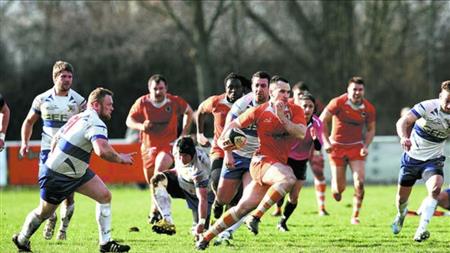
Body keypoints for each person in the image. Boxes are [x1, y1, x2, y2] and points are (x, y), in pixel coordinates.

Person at [13, 87, 135, 253]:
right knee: (44, 213)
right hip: (58, 176)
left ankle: (105, 244)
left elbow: (56, 138)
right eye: (109, 104)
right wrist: (121, 159)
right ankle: (21, 240)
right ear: (96, 105)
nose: (112, 108)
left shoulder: (78, 116)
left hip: (76, 172)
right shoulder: (96, 122)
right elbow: (102, 151)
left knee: (105, 196)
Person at [196, 76, 307, 250]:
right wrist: (227, 145)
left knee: (242, 207)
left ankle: (205, 238)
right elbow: (231, 126)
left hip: (275, 165)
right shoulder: (259, 111)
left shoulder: (295, 110)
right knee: (288, 178)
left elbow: (301, 133)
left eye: (288, 91)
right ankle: (256, 217)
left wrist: (282, 118)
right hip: (260, 161)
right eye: (281, 91)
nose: (286, 95)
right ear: (271, 93)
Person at [19, 61, 86, 240]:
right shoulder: (42, 99)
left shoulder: (79, 101)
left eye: (70, 77)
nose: (67, 80)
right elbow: (29, 122)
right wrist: (24, 143)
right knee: (47, 192)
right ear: (55, 77)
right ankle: (51, 217)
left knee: (69, 195)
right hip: (48, 151)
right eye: (63, 76)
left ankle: (63, 229)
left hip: (70, 152)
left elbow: (88, 123)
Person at [126, 74, 194, 224]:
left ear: (166, 88)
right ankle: (154, 209)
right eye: (155, 89)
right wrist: (141, 126)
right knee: (153, 181)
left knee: (159, 170)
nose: (158, 92)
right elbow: (129, 120)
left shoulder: (174, 101)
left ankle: (160, 212)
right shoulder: (142, 102)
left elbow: (189, 112)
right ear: (149, 89)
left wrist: (183, 134)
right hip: (148, 148)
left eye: (161, 88)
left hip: (168, 146)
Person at [212, 71, 270, 244]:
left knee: (249, 199)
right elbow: (225, 133)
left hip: (257, 158)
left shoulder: (275, 106)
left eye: (263, 86)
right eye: (256, 85)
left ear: (269, 88)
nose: (260, 89)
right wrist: (228, 154)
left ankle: (226, 233)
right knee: (224, 197)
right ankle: (217, 203)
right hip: (236, 155)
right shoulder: (241, 105)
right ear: (251, 88)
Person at [391, 80, 450, 242]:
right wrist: (404, 137)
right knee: (401, 199)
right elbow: (403, 121)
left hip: (433, 160)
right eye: (447, 101)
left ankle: (421, 230)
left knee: (436, 189)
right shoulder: (428, 106)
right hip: (412, 159)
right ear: (440, 97)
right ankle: (401, 215)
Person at [319, 76, 376, 224]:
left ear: (364, 91)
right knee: (338, 191)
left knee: (360, 182)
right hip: (336, 147)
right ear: (348, 90)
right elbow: (322, 120)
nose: (357, 92)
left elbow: (370, 130)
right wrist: (325, 142)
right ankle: (336, 188)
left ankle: (355, 216)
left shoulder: (368, 108)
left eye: (360, 89)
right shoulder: (338, 102)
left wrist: (365, 146)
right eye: (354, 89)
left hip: (356, 147)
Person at [272, 83, 328, 217]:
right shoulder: (291, 117)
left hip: (301, 161)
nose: (307, 109)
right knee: (281, 191)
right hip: (286, 158)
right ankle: (277, 206)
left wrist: (315, 139)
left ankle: (283, 222)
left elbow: (318, 147)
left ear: (314, 109)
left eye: (310, 107)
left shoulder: (317, 123)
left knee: (294, 196)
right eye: (304, 106)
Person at [196, 73, 244, 218]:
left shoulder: (248, 104)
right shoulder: (216, 102)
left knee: (237, 193)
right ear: (225, 88)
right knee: (217, 182)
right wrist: (200, 133)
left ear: (243, 89)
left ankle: (223, 227)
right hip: (219, 150)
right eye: (230, 88)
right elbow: (200, 110)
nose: (233, 91)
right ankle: (218, 202)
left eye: (237, 87)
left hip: (241, 152)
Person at [150, 136, 214, 237]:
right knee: (157, 179)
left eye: (185, 156)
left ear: (192, 154)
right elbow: (179, 167)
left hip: (199, 192)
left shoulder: (200, 168)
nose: (181, 158)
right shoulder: (177, 148)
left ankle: (204, 224)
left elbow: (203, 198)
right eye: (180, 155)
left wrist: (201, 222)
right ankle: (167, 220)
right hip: (181, 184)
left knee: (199, 232)